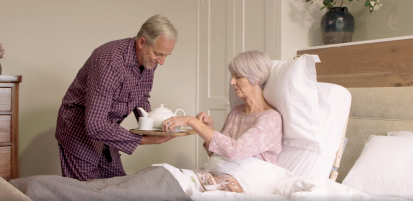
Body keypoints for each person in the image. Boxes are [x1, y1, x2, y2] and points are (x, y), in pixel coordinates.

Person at [55, 14, 178, 181]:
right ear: (142, 42)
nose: (162, 61)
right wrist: (145, 140)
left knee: (118, 187)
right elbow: (95, 124)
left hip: (108, 131)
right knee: (86, 193)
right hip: (79, 131)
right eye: (158, 53)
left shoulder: (149, 61)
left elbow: (140, 98)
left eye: (166, 55)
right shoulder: (109, 60)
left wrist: (155, 127)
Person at [163, 50, 282, 164]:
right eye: (232, 76)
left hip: (249, 181)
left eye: (238, 76)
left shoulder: (271, 119)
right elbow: (216, 156)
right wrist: (209, 127)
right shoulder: (236, 112)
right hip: (223, 176)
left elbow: (235, 151)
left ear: (257, 79)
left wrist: (192, 121)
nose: (232, 82)